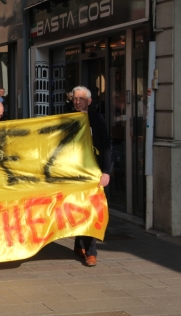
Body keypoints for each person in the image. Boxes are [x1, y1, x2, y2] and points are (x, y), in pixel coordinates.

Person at [71, 86, 111, 267]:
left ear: (89, 101)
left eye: (81, 98)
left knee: (92, 210)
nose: (77, 101)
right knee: (79, 208)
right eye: (74, 99)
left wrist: (106, 172)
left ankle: (91, 252)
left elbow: (106, 147)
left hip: (93, 172)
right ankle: (79, 244)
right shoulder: (68, 119)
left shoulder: (97, 119)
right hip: (74, 172)